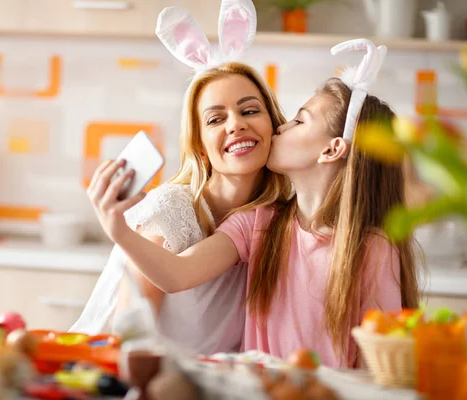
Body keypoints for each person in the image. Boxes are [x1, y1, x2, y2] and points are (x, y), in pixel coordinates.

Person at [85, 39, 421, 368]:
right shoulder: (257, 223)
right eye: (216, 119)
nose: (281, 127)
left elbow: (381, 363)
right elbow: (174, 276)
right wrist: (119, 231)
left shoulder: (370, 249)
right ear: (200, 145)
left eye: (299, 121)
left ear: (331, 150)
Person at [70, 0, 290, 355]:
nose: (236, 124)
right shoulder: (172, 210)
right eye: (216, 120)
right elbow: (131, 337)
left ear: (273, 126)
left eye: (250, 110)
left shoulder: (275, 218)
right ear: (200, 146)